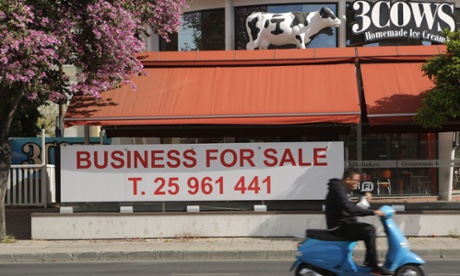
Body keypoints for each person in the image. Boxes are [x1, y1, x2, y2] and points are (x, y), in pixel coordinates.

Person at [325, 168, 393, 276]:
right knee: (369, 230)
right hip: (338, 227)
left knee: (368, 229)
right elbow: (350, 209)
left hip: (344, 223)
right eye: (356, 181)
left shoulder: (342, 189)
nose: (357, 184)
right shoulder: (338, 189)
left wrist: (363, 201)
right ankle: (374, 265)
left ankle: (369, 261)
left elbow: (349, 205)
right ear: (348, 179)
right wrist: (372, 212)